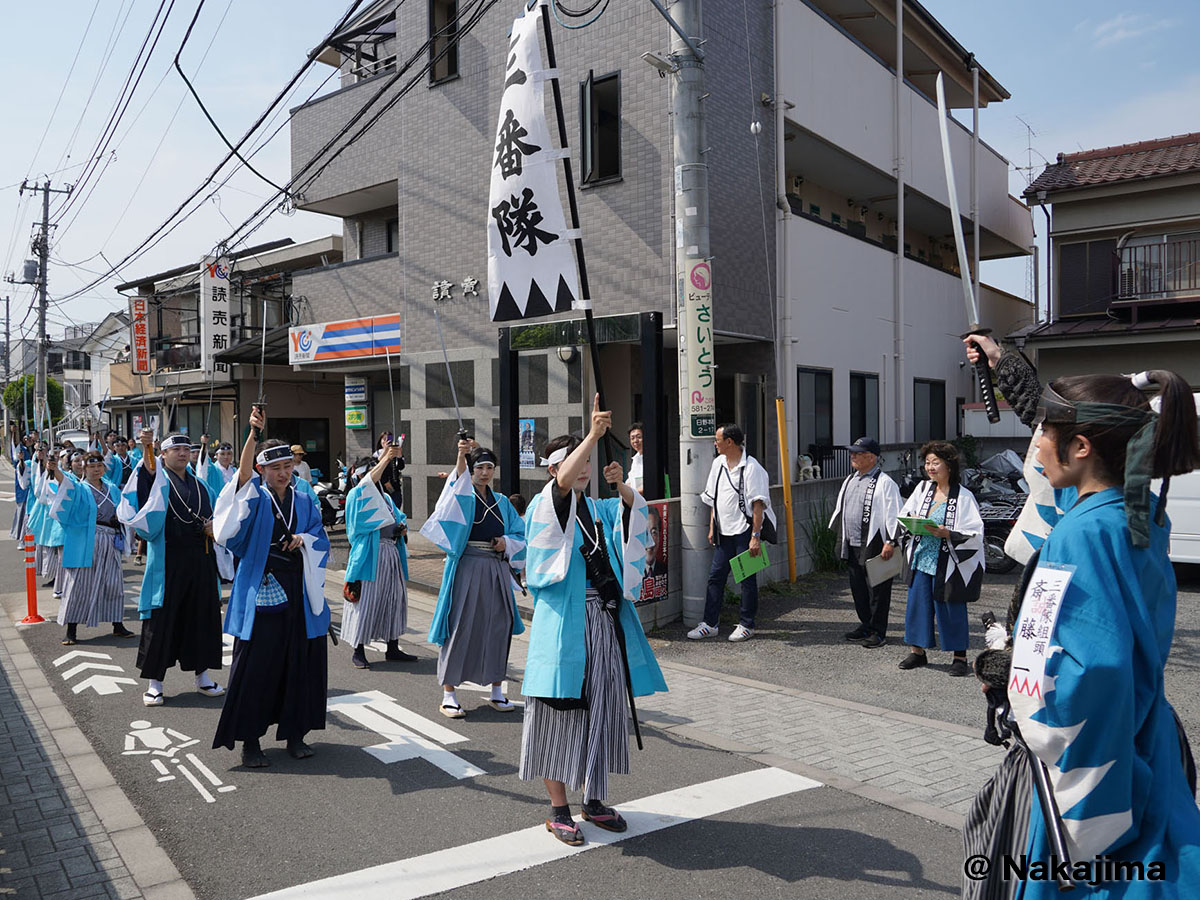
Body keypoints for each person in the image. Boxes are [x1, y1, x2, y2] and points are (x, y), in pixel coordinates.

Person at [963, 368, 1200, 900]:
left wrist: (1014, 678)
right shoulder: (1139, 513)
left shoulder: (1081, 531)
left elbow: (1091, 671)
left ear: (1082, 446)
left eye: (1044, 432)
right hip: (1147, 733)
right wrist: (1006, 364)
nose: (1036, 446)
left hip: (1089, 756)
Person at [519, 396, 668, 845]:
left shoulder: (600, 509)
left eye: (585, 461)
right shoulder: (546, 506)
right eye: (572, 462)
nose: (583, 468)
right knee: (557, 713)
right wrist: (593, 435)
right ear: (553, 470)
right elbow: (563, 485)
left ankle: (595, 799)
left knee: (602, 710)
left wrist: (622, 487)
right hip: (564, 625)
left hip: (602, 622)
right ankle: (558, 808)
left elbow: (636, 520)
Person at [211, 407, 331, 767]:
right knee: (256, 667)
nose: (282, 473)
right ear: (263, 471)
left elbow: (321, 538)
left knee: (300, 662)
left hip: (297, 589)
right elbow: (242, 476)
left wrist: (304, 539)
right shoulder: (253, 498)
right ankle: (251, 741)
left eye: (287, 467)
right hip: (261, 590)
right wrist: (252, 434)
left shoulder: (305, 499)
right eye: (274, 468)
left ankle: (295, 734)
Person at [118, 429, 224, 707]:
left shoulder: (201, 485)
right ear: (163, 454)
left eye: (186, 449)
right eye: (175, 450)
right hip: (168, 559)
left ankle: (203, 677)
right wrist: (146, 449)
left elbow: (220, 512)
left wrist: (215, 526)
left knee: (202, 617)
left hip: (201, 557)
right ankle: (155, 683)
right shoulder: (158, 481)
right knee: (162, 621)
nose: (182, 453)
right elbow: (144, 486)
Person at [420, 440, 526, 718]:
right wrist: (461, 456)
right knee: (460, 627)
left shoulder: (502, 502)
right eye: (479, 467)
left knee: (498, 628)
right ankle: (449, 694)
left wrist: (506, 542)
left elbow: (521, 534)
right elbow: (453, 488)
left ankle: (496, 690)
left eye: (490, 467)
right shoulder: (463, 496)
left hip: (496, 568)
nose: (485, 472)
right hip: (467, 566)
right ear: (471, 470)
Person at [895, 441, 983, 676]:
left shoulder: (964, 497)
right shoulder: (922, 489)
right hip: (922, 556)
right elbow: (904, 515)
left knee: (951, 607)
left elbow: (975, 532)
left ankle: (959, 657)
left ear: (949, 466)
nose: (930, 468)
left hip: (949, 562)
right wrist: (911, 522)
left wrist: (949, 533)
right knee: (917, 605)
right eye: (927, 463)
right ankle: (917, 651)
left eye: (936, 462)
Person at [689, 424, 776, 642]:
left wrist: (755, 537)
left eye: (717, 440)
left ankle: (747, 624)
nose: (715, 444)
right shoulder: (718, 464)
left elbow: (758, 505)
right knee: (715, 578)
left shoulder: (752, 468)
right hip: (723, 532)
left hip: (745, 532)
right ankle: (710, 624)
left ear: (730, 442)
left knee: (747, 579)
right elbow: (713, 498)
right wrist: (712, 527)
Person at [47, 450, 133, 645]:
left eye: (99, 466)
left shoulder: (112, 488)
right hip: (88, 540)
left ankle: (117, 624)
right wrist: (55, 469)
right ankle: (71, 629)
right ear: (84, 468)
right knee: (79, 584)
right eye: (92, 466)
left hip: (110, 540)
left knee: (113, 583)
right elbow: (65, 483)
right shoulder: (80, 488)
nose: (96, 470)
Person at [342, 444, 415, 669]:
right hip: (369, 555)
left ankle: (392, 646)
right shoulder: (357, 494)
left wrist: (402, 528)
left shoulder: (386, 498)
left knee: (393, 601)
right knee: (366, 603)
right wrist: (386, 457)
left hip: (390, 553)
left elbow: (399, 517)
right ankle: (358, 650)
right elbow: (361, 523)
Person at [829, 437, 902, 649]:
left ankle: (878, 630)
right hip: (852, 542)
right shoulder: (851, 479)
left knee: (878, 588)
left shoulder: (885, 482)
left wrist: (891, 541)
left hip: (875, 542)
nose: (852, 456)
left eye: (857, 453)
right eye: (852, 452)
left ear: (871, 457)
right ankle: (866, 624)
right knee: (858, 587)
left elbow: (895, 513)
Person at [198, 437, 237, 583]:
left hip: (233, 512)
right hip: (218, 511)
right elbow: (202, 465)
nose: (226, 457)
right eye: (222, 454)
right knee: (219, 544)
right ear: (216, 456)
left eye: (229, 454)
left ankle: (231, 573)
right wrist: (204, 445)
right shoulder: (212, 469)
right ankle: (221, 574)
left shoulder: (235, 471)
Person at [9, 426, 33, 540]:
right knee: (23, 512)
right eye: (26, 439)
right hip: (24, 487)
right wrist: (14, 433)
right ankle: (21, 537)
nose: (29, 441)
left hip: (34, 489)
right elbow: (15, 446)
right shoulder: (22, 450)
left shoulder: (33, 450)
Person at [374, 431, 406, 511]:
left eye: (389, 439)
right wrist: (385, 450)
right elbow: (376, 466)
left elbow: (401, 467)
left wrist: (399, 456)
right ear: (380, 440)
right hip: (381, 488)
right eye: (384, 439)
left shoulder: (395, 452)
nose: (386, 441)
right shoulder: (377, 453)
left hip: (394, 487)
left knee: (395, 511)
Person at [626, 422, 645, 494]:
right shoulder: (635, 459)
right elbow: (630, 481)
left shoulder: (651, 459)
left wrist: (633, 494)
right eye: (632, 438)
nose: (635, 441)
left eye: (639, 437)